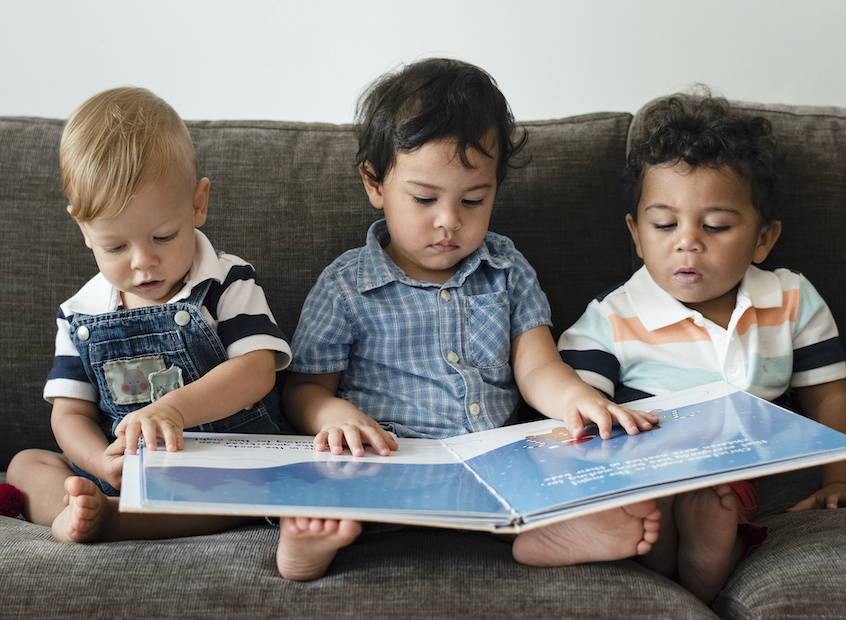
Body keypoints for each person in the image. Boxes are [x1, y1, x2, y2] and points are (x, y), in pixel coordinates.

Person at [275, 58, 662, 581]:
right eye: (423, 198)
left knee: (572, 460)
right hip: (390, 462)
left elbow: (537, 367)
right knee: (326, 479)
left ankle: (545, 530)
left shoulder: (505, 269)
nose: (449, 221)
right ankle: (312, 544)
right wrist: (331, 415)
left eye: (473, 200)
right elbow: (302, 388)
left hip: (498, 465)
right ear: (374, 184)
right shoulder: (347, 285)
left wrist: (577, 401)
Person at [557, 89, 846, 604]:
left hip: (738, 470)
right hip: (649, 463)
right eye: (664, 224)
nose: (687, 241)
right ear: (637, 235)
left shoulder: (790, 298)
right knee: (651, 497)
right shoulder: (612, 317)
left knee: (716, 499)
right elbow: (575, 410)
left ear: (763, 238)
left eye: (715, 225)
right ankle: (664, 545)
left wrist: (840, 479)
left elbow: (828, 397)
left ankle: (704, 558)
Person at [6, 87, 293, 543]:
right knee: (25, 464)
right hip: (120, 469)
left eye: (163, 237)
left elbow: (257, 370)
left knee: (251, 487)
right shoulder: (79, 314)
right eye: (115, 246)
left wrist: (174, 410)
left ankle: (117, 520)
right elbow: (69, 414)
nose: (142, 262)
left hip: (216, 463)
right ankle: (76, 511)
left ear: (198, 204)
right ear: (84, 231)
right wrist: (101, 462)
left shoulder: (225, 281)